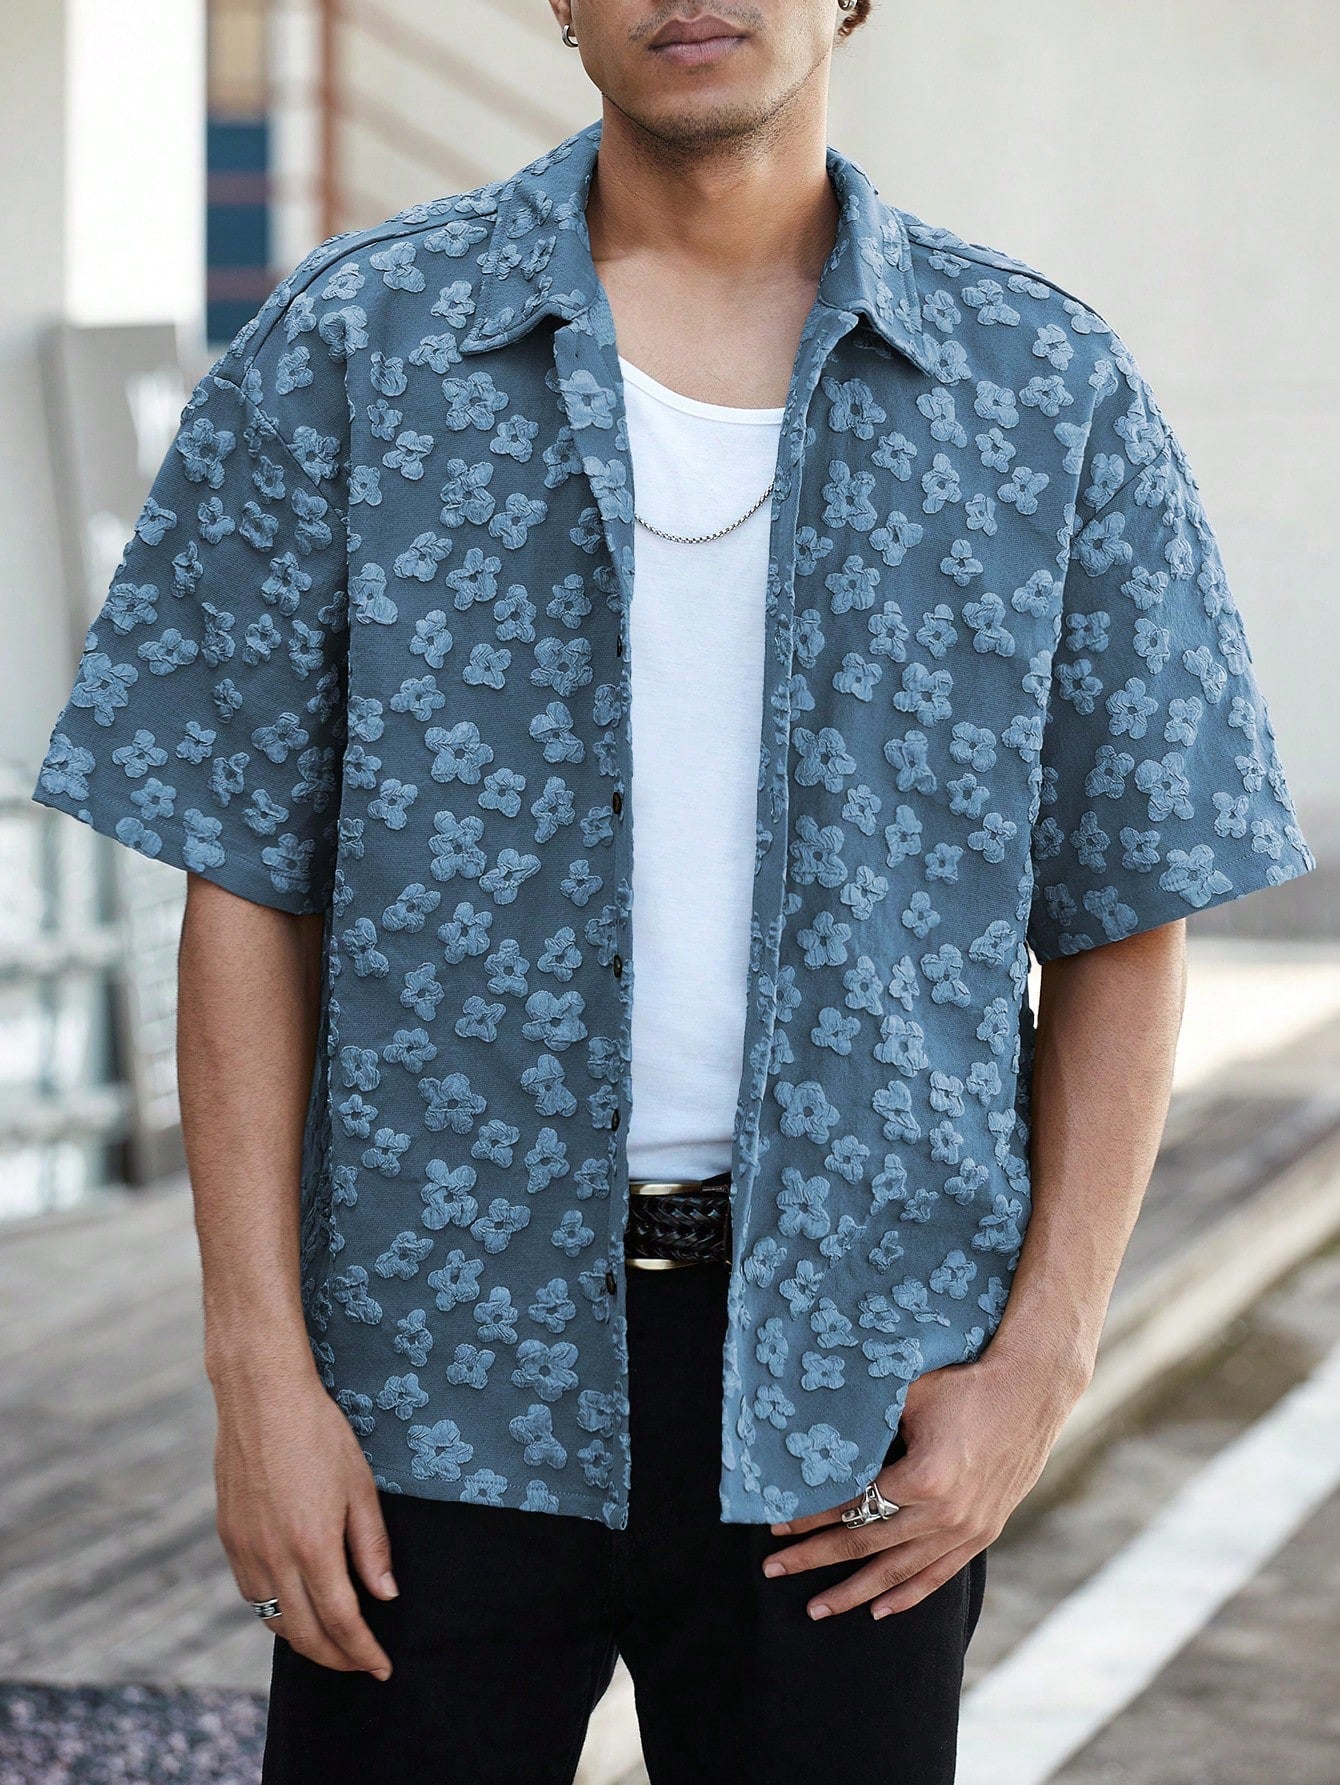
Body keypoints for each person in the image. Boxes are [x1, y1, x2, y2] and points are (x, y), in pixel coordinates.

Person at [30, 2, 1316, 1779]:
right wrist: (259, 1377)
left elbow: (1127, 910)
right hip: (427, 1373)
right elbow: (245, 882)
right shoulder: (354, 348)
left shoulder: (1041, 388)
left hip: (855, 1388)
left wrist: (1043, 1363)